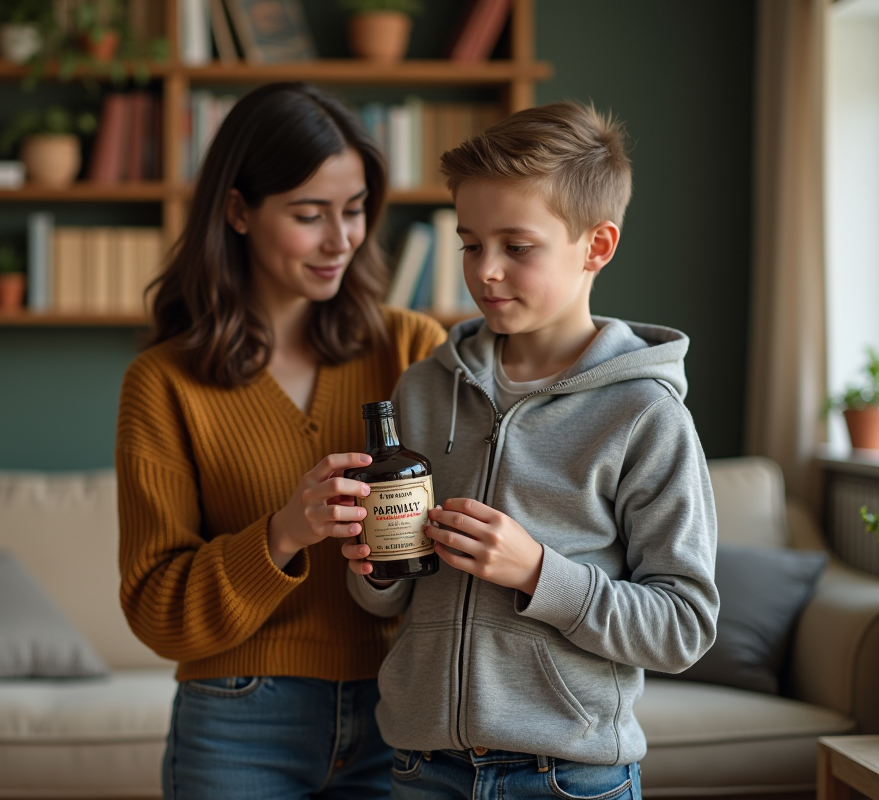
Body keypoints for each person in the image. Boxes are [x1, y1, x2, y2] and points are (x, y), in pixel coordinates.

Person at [344, 101, 720, 800]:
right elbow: (382, 602)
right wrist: (375, 567)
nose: (485, 271)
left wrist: (539, 573)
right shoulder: (424, 388)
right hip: (422, 769)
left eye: (517, 247)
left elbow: (684, 626)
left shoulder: (645, 414)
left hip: (568, 776)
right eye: (469, 243)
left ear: (597, 246)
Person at [115, 82, 446, 799]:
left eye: (355, 211)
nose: (341, 240)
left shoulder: (414, 347)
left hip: (403, 713)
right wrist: (284, 533)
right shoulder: (162, 382)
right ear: (237, 211)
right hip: (236, 720)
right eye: (308, 215)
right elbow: (153, 607)